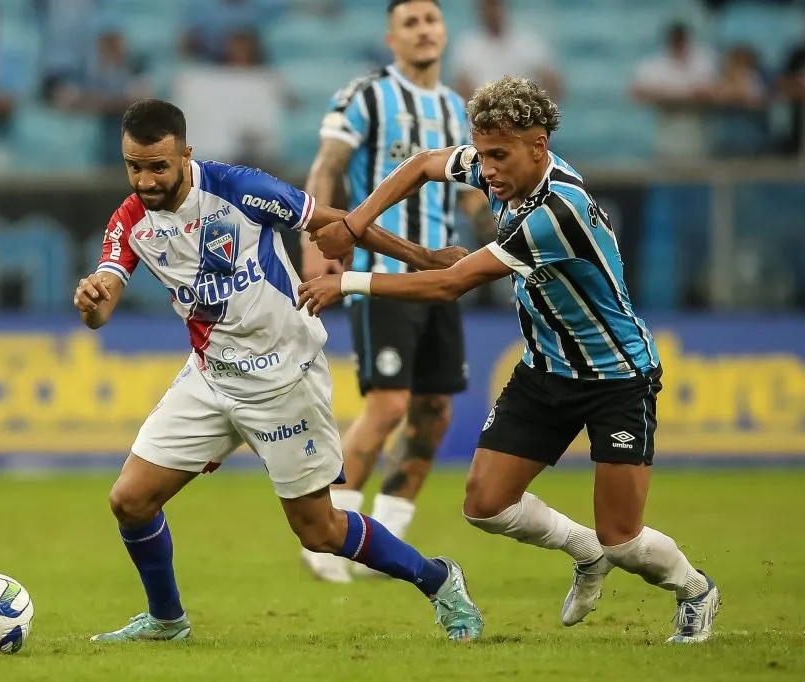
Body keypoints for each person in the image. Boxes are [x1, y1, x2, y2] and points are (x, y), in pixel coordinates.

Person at [298, 77, 720, 643]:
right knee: (486, 505)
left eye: (499, 156)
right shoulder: (504, 168)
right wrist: (355, 221)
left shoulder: (556, 212)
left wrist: (348, 281)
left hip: (618, 377)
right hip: (546, 369)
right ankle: (583, 551)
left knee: (623, 538)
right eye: (483, 154)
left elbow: (450, 284)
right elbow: (423, 164)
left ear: (538, 146)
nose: (487, 169)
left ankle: (695, 590)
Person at [75, 99, 482, 643]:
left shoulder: (238, 188)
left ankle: (439, 580)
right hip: (211, 375)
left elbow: (335, 223)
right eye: (134, 166)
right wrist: (92, 300)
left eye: (158, 166)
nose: (145, 180)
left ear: (185, 154)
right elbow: (102, 308)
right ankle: (167, 621)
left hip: (284, 378)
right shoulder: (130, 221)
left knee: (320, 531)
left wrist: (424, 257)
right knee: (130, 500)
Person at [300, 0, 496, 584]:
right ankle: (328, 529)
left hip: (440, 280)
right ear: (392, 37)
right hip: (381, 275)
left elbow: (467, 195)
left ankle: (385, 538)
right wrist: (316, 246)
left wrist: (504, 238)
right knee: (387, 405)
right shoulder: (365, 96)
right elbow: (325, 168)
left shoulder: (459, 108)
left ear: (444, 31)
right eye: (410, 23)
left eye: (431, 20)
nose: (423, 30)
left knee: (433, 412)